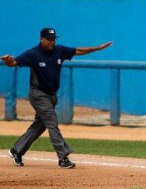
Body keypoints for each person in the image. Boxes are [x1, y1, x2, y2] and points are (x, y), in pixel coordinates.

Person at [1, 28, 112, 169]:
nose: (52, 41)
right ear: (41, 38)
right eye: (49, 39)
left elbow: (78, 51)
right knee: (52, 121)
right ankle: (63, 157)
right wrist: (8, 61)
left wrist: (97, 48)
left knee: (39, 125)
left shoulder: (59, 50)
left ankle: (16, 151)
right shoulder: (33, 54)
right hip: (38, 94)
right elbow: (14, 63)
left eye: (54, 39)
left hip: (52, 96)